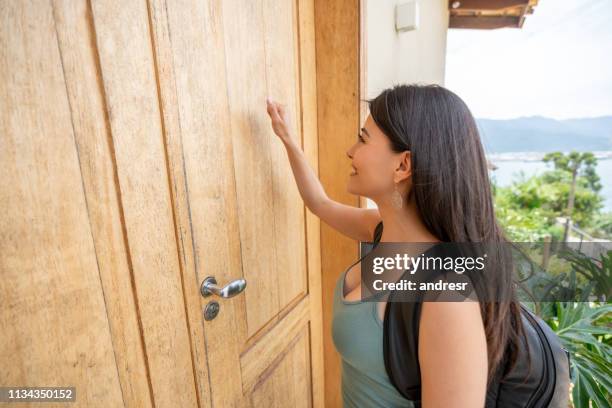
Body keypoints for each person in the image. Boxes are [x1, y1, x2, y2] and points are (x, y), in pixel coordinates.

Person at [266, 84, 524, 407]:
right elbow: (319, 203)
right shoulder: (380, 230)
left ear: (402, 166)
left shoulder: (447, 299)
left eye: (362, 138)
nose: (351, 150)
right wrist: (287, 138)